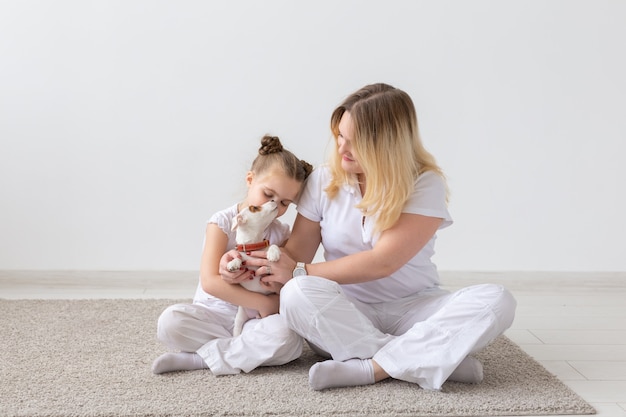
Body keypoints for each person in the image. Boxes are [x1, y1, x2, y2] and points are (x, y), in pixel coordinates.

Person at [220, 83, 517, 391]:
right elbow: (294, 256)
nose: (341, 148)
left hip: (414, 308)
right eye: (340, 136)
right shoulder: (323, 180)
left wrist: (298, 270)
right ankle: (425, 358)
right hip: (345, 313)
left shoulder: (425, 184)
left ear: (386, 144)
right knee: (297, 295)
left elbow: (383, 262)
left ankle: (372, 368)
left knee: (497, 300)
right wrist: (243, 261)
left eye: (354, 142)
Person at [152, 134, 313, 375]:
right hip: (215, 314)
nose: (274, 207)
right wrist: (265, 302)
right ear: (251, 180)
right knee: (170, 322)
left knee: (289, 339)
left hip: (253, 321)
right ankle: (239, 352)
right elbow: (210, 282)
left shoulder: (281, 233)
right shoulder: (222, 223)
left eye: (284, 203)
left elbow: (283, 283)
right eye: (268, 195)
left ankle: (201, 360)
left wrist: (273, 298)